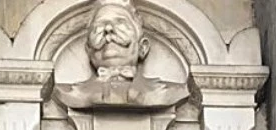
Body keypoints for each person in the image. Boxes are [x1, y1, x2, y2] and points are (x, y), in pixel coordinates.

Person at [54, 0, 189, 108]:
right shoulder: (70, 93)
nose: (108, 29)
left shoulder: (167, 92)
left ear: (143, 47)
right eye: (99, 26)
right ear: (88, 50)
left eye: (120, 23)